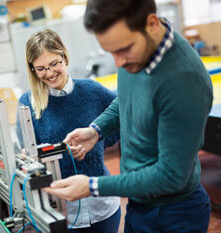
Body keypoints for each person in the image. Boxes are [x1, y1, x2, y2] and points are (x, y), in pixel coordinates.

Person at [44, 0, 213, 232]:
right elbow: (125, 100)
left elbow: (170, 176)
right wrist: (96, 130)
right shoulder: (136, 51)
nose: (118, 62)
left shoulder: (183, 81)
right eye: (111, 52)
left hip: (174, 213)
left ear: (152, 24)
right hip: (139, 203)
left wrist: (93, 186)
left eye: (123, 50)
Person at [16, 29, 121, 233]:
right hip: (61, 211)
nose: (49, 72)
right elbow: (29, 156)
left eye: (54, 63)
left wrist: (97, 142)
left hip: (102, 204)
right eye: (41, 68)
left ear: (64, 56)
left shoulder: (92, 90)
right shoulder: (28, 104)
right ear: (32, 69)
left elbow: (119, 121)